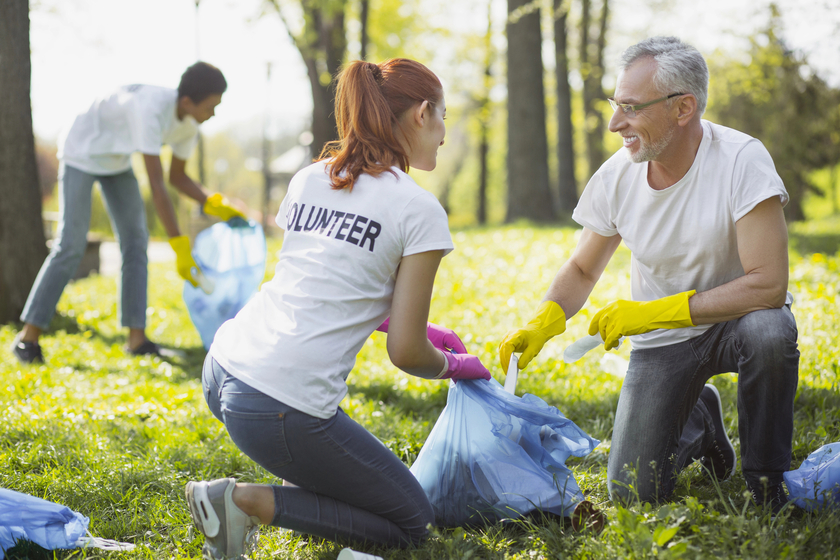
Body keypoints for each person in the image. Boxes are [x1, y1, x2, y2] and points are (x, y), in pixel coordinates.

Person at [184, 58, 491, 559]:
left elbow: (328, 281)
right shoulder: (418, 209)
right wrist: (454, 366)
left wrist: (422, 328)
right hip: (278, 405)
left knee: (351, 489)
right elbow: (406, 354)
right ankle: (241, 501)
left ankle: (282, 494)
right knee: (411, 521)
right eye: (442, 117)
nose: (442, 133)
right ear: (421, 113)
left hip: (223, 371)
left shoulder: (312, 177)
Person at [499, 37, 799, 515]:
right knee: (632, 491)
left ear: (684, 108)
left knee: (770, 330)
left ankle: (766, 481)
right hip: (665, 342)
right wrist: (546, 320)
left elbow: (768, 285)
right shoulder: (618, 175)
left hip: (738, 319)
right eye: (617, 105)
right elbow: (581, 267)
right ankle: (700, 419)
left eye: (631, 108)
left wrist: (653, 312)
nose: (616, 123)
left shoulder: (742, 160)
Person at [11, 61, 245, 363]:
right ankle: (27, 338)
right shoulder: (150, 110)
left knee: (136, 241)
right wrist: (179, 245)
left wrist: (215, 204)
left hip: (116, 161)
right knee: (70, 244)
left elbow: (179, 178)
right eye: (211, 106)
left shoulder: (189, 125)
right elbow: (158, 185)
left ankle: (137, 340)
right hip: (83, 150)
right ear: (187, 101)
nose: (213, 113)